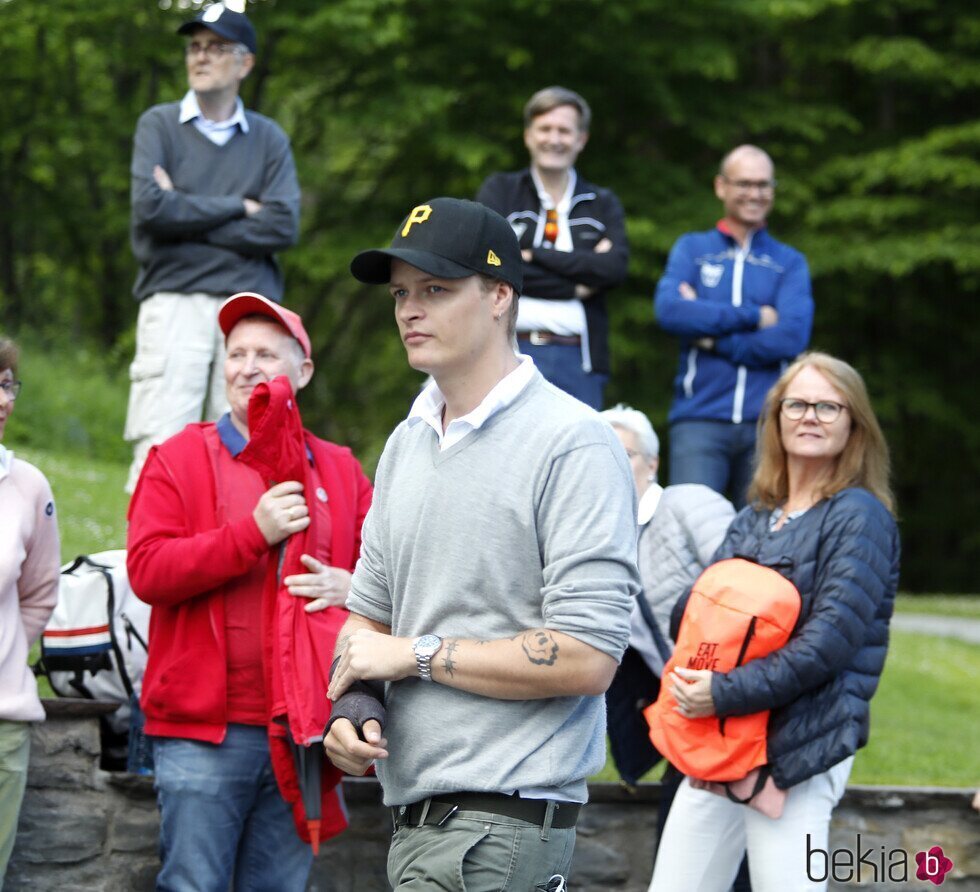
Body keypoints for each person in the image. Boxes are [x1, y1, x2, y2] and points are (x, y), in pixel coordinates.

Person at [325, 197, 640, 890]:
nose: (410, 310)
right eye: (401, 293)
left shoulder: (573, 442)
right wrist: (355, 707)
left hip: (501, 826)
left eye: (436, 290)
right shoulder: (406, 443)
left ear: (500, 296)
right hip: (414, 819)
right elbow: (370, 620)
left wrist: (415, 655)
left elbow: (588, 656)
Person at [126, 294, 372, 892]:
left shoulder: (341, 469)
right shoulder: (178, 457)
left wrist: (354, 587)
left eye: (266, 353)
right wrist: (250, 535)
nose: (248, 366)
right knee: (193, 885)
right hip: (202, 733)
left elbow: (392, 578)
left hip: (303, 731)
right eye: (236, 354)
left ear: (303, 371)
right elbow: (148, 570)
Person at [649, 351, 900, 892]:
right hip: (722, 740)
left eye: (828, 406)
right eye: (797, 403)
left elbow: (829, 644)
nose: (810, 416)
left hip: (800, 745)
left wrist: (725, 691)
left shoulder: (860, 517)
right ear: (777, 417)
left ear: (854, 424)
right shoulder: (756, 516)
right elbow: (694, 618)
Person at [124, 3, 301, 492]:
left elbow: (283, 226)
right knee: (162, 446)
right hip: (174, 306)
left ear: (245, 63)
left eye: (216, 47)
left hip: (247, 315)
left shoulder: (268, 140)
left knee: (246, 448)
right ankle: (152, 567)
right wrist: (239, 208)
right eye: (195, 47)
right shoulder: (158, 126)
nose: (200, 57)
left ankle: (236, 563)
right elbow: (151, 213)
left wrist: (185, 210)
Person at [654, 145, 813, 508]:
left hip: (768, 422)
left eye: (763, 184)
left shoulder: (788, 262)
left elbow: (790, 338)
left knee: (766, 540)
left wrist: (713, 340)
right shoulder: (692, 249)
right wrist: (755, 316)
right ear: (720, 186)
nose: (754, 194)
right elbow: (671, 312)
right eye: (744, 183)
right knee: (689, 529)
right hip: (699, 417)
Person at [599, 404, 735, 787]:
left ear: (652, 464)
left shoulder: (688, 503)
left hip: (731, 694)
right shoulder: (592, 539)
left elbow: (744, 586)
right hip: (682, 709)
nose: (609, 464)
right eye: (599, 452)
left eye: (623, 454)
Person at [477, 86, 629, 409]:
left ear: (581, 139)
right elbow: (488, 265)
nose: (554, 139)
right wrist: (578, 284)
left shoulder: (601, 203)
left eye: (564, 130)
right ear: (528, 135)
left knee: (576, 457)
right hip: (508, 353)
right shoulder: (501, 192)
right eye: (545, 129)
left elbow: (614, 268)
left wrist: (532, 254)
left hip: (580, 358)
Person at [0, 337, 60, 885]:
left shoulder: (28, 487)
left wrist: (5, 653)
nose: (2, 399)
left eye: (5, 383)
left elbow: (39, 593)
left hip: (4, 724)